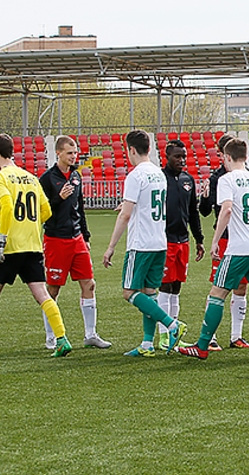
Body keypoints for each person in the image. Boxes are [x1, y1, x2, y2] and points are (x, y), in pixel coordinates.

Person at [176, 139, 249, 360]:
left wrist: (215, 240)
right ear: (245, 157)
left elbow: (226, 211)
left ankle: (201, 346)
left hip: (238, 248)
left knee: (217, 294)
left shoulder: (227, 180)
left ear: (227, 157)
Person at [0, 134, 72, 358]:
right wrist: (30, 226)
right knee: (42, 294)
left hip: (10, 245)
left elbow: (8, 209)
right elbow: (46, 211)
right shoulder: (30, 177)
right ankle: (62, 338)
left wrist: (1, 239)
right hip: (32, 244)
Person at [100, 130, 186, 357]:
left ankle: (172, 324)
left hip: (141, 243)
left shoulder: (135, 175)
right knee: (149, 293)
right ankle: (148, 344)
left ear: (131, 150)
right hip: (159, 242)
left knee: (129, 292)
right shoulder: (158, 174)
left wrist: (110, 247)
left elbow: (125, 215)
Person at [39, 135, 110, 349]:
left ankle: (90, 334)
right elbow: (42, 212)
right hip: (55, 239)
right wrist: (57, 198)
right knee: (52, 289)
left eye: (75, 152)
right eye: (69, 153)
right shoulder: (47, 179)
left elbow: (80, 208)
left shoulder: (76, 176)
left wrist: (85, 236)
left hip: (76, 238)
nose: (73, 156)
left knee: (89, 284)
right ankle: (51, 337)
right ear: (58, 153)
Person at [199, 134, 249, 350]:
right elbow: (204, 211)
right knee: (219, 287)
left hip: (244, 238)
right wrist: (203, 196)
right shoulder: (216, 178)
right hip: (226, 239)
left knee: (241, 287)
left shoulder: (247, 175)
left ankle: (236, 336)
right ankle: (210, 337)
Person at [155, 139, 206, 350]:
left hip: (182, 240)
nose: (181, 160)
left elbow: (193, 212)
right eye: (177, 156)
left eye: (184, 156)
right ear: (166, 158)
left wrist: (199, 239)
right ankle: (163, 335)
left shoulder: (188, 180)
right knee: (164, 285)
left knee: (177, 286)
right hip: (164, 240)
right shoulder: (159, 178)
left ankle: (174, 332)